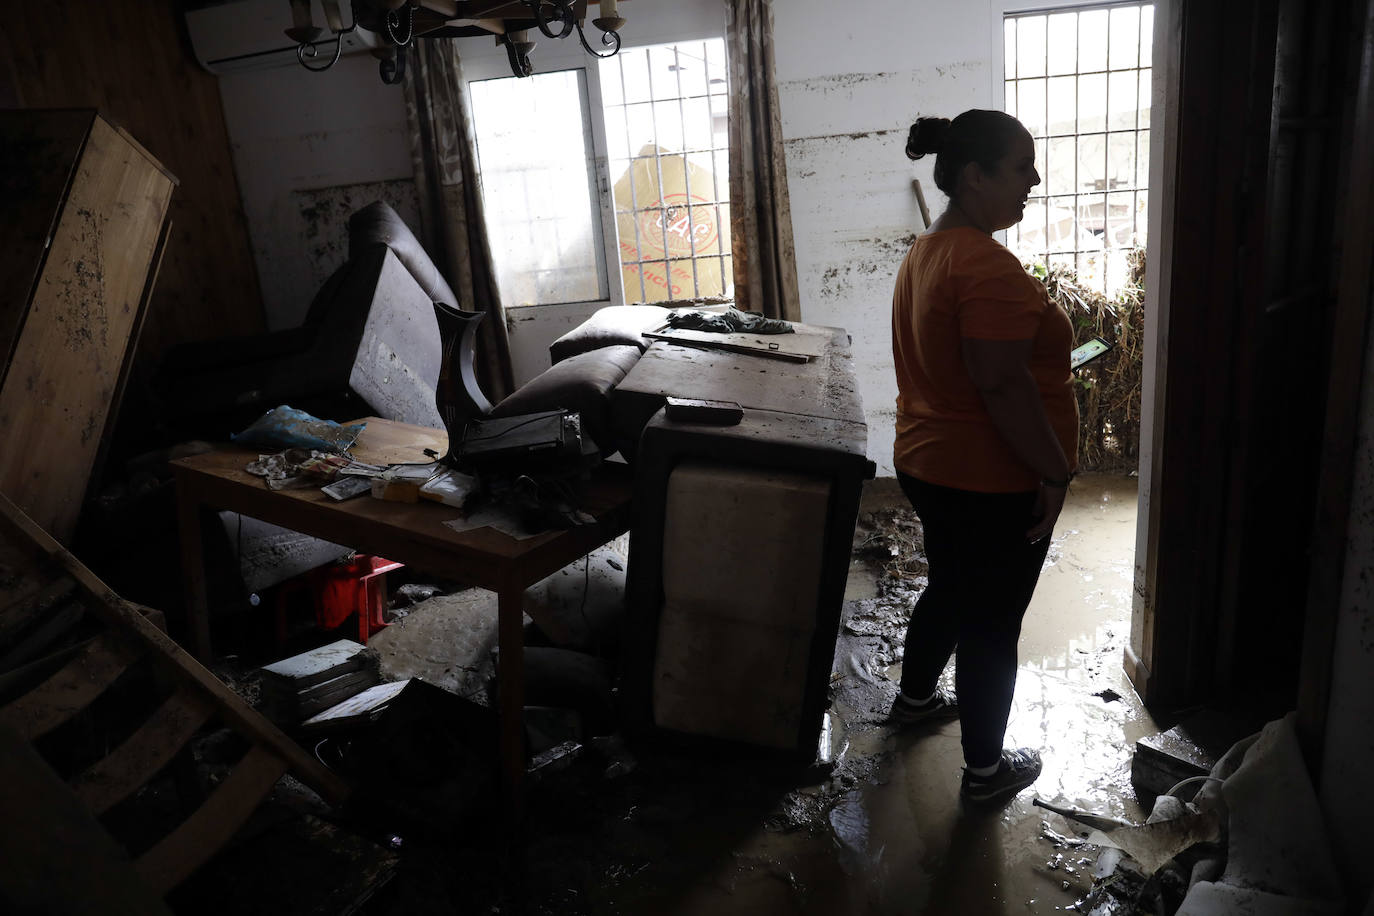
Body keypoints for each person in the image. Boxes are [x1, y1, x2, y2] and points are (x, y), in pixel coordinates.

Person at [886, 109, 1077, 807]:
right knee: (992, 622)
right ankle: (986, 775)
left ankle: (912, 705)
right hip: (985, 477)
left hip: (929, 462)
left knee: (952, 586)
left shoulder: (928, 249)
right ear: (975, 176)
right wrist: (1054, 471)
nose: (1034, 179)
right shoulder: (982, 262)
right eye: (1022, 166)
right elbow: (1001, 382)